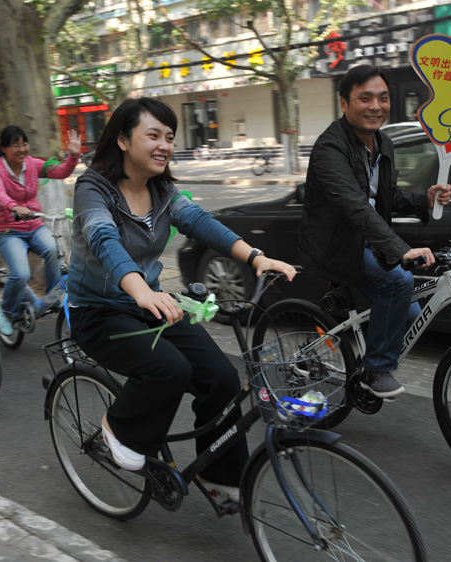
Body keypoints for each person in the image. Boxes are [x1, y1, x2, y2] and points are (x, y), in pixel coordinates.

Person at [67, 98, 296, 501]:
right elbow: (103, 238)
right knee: (168, 368)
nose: (164, 145)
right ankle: (117, 428)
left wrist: (256, 257)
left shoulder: (163, 191)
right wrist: (139, 288)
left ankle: (219, 472)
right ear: (122, 139)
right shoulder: (93, 187)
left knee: (222, 378)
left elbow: (201, 223)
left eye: (169, 137)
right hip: (99, 313)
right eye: (152, 135)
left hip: (151, 304)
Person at [299, 65, 451, 399]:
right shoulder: (330, 149)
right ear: (344, 104)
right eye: (364, 98)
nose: (375, 106)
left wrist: (422, 200)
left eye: (383, 98)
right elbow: (354, 205)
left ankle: (367, 344)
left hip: (368, 239)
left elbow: (387, 196)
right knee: (399, 282)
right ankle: (375, 369)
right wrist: (400, 250)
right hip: (336, 245)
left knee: (411, 311)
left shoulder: (383, 142)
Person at [0, 125, 81, 336]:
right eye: (16, 145)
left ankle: (51, 298)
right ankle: (7, 310)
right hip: (9, 230)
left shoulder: (32, 164)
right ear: (3, 148)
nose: (22, 149)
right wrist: (14, 206)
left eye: (25, 144)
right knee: (21, 274)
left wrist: (73, 156)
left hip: (34, 225)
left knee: (53, 252)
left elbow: (60, 171)